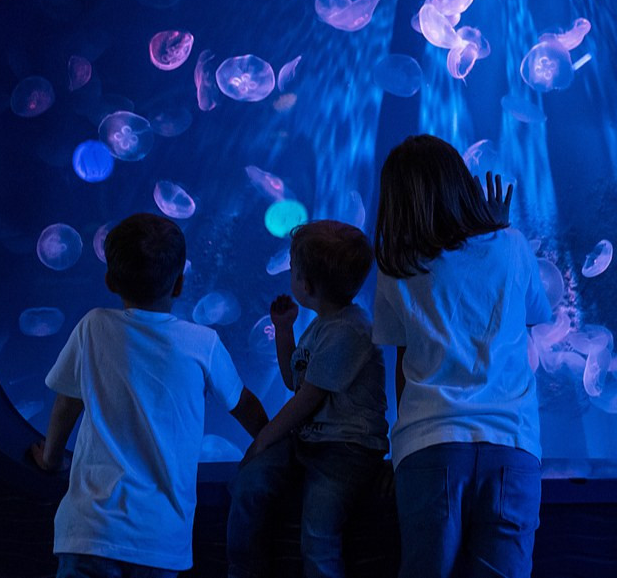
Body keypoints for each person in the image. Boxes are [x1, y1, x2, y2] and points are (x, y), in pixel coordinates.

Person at [29, 212, 269, 578]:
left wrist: (50, 458)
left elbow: (67, 402)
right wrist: (275, 443)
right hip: (159, 539)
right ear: (179, 285)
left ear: (109, 280)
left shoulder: (93, 326)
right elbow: (244, 406)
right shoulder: (202, 342)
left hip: (88, 530)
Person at [372, 134, 553, 578]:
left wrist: (399, 446)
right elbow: (528, 321)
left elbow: (401, 366)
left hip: (427, 444)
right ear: (460, 183)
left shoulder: (398, 265)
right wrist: (498, 234)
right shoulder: (512, 245)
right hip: (512, 443)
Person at [226, 219, 389, 578]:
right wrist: (284, 330)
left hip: (347, 449)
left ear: (307, 285)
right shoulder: (322, 324)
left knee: (317, 536)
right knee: (249, 483)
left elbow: (307, 400)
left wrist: (263, 439)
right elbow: (293, 381)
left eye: (293, 270)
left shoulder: (350, 330)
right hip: (311, 440)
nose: (289, 275)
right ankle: (243, 568)